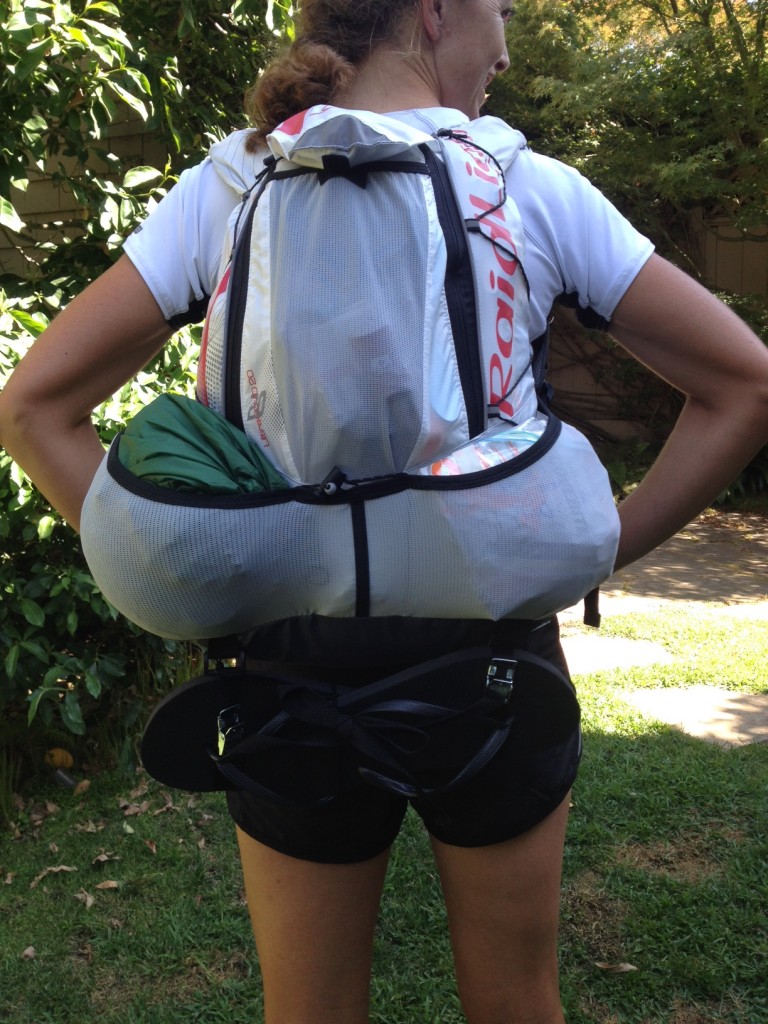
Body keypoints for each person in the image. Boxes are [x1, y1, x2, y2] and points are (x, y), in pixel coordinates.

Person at [2, 1, 768, 1021]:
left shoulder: (229, 187)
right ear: (437, 10)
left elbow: (33, 408)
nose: (507, 43)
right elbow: (744, 386)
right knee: (513, 1001)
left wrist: (181, 555)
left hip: (287, 666)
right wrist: (601, 547)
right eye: (501, 10)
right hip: (494, 660)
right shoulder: (524, 186)